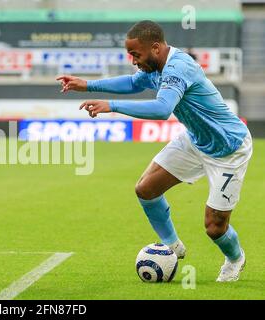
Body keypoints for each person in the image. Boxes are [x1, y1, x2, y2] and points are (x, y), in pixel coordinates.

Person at [57, 20, 252, 282]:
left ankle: (235, 258)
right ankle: (172, 246)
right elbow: (133, 83)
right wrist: (88, 85)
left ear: (156, 48)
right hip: (196, 140)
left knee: (214, 227)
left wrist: (111, 105)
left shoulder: (177, 67)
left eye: (136, 54)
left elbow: (162, 109)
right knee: (146, 189)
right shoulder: (154, 66)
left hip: (229, 148)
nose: (134, 60)